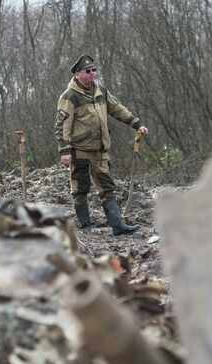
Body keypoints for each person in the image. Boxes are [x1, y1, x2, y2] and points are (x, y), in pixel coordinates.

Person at [54, 55, 149, 235]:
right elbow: (62, 124)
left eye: (94, 70)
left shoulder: (100, 91)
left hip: (101, 149)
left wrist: (136, 123)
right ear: (78, 74)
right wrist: (64, 150)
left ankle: (117, 226)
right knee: (80, 188)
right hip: (80, 150)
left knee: (107, 187)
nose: (92, 74)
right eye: (88, 71)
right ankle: (86, 226)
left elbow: (117, 108)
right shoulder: (70, 96)